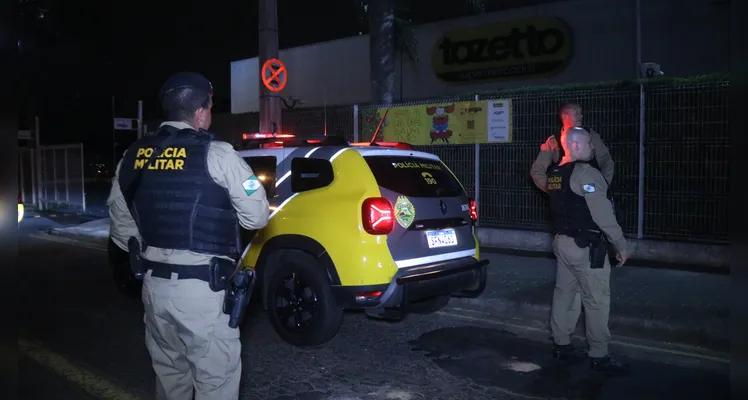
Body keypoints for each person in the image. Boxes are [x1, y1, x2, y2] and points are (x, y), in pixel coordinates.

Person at [107, 72, 270, 399]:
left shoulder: (133, 156)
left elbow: (121, 228)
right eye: (210, 106)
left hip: (154, 289)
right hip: (203, 293)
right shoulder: (219, 154)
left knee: (169, 380)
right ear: (201, 111)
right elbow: (257, 215)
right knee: (216, 384)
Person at [545, 127, 630, 374]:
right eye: (590, 144)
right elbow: (602, 214)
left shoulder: (556, 173)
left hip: (562, 243)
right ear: (578, 146)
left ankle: (561, 344)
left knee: (565, 294)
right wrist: (620, 243)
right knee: (596, 300)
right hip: (585, 247)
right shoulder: (587, 174)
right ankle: (599, 355)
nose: (594, 148)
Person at [530, 103, 615, 347]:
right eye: (576, 113)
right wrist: (556, 190)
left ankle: (563, 343)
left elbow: (607, 162)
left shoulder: (591, 135)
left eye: (581, 112)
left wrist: (600, 187)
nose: (581, 115)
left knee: (568, 290)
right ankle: (596, 352)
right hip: (575, 229)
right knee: (587, 295)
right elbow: (538, 171)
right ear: (565, 117)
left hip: (589, 208)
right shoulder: (554, 141)